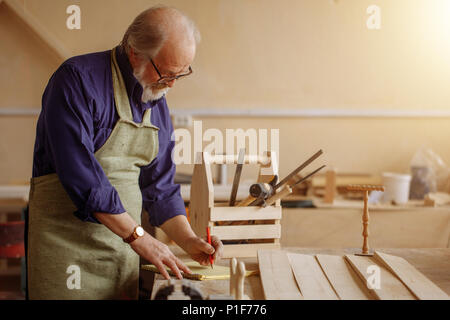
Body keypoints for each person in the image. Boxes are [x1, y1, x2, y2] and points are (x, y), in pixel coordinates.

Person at [27, 5, 223, 299]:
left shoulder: (156, 98)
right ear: (135, 52)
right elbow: (82, 178)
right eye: (166, 74)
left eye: (180, 75)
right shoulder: (76, 80)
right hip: (65, 250)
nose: (170, 85)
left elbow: (160, 189)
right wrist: (138, 236)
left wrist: (189, 240)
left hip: (122, 252)